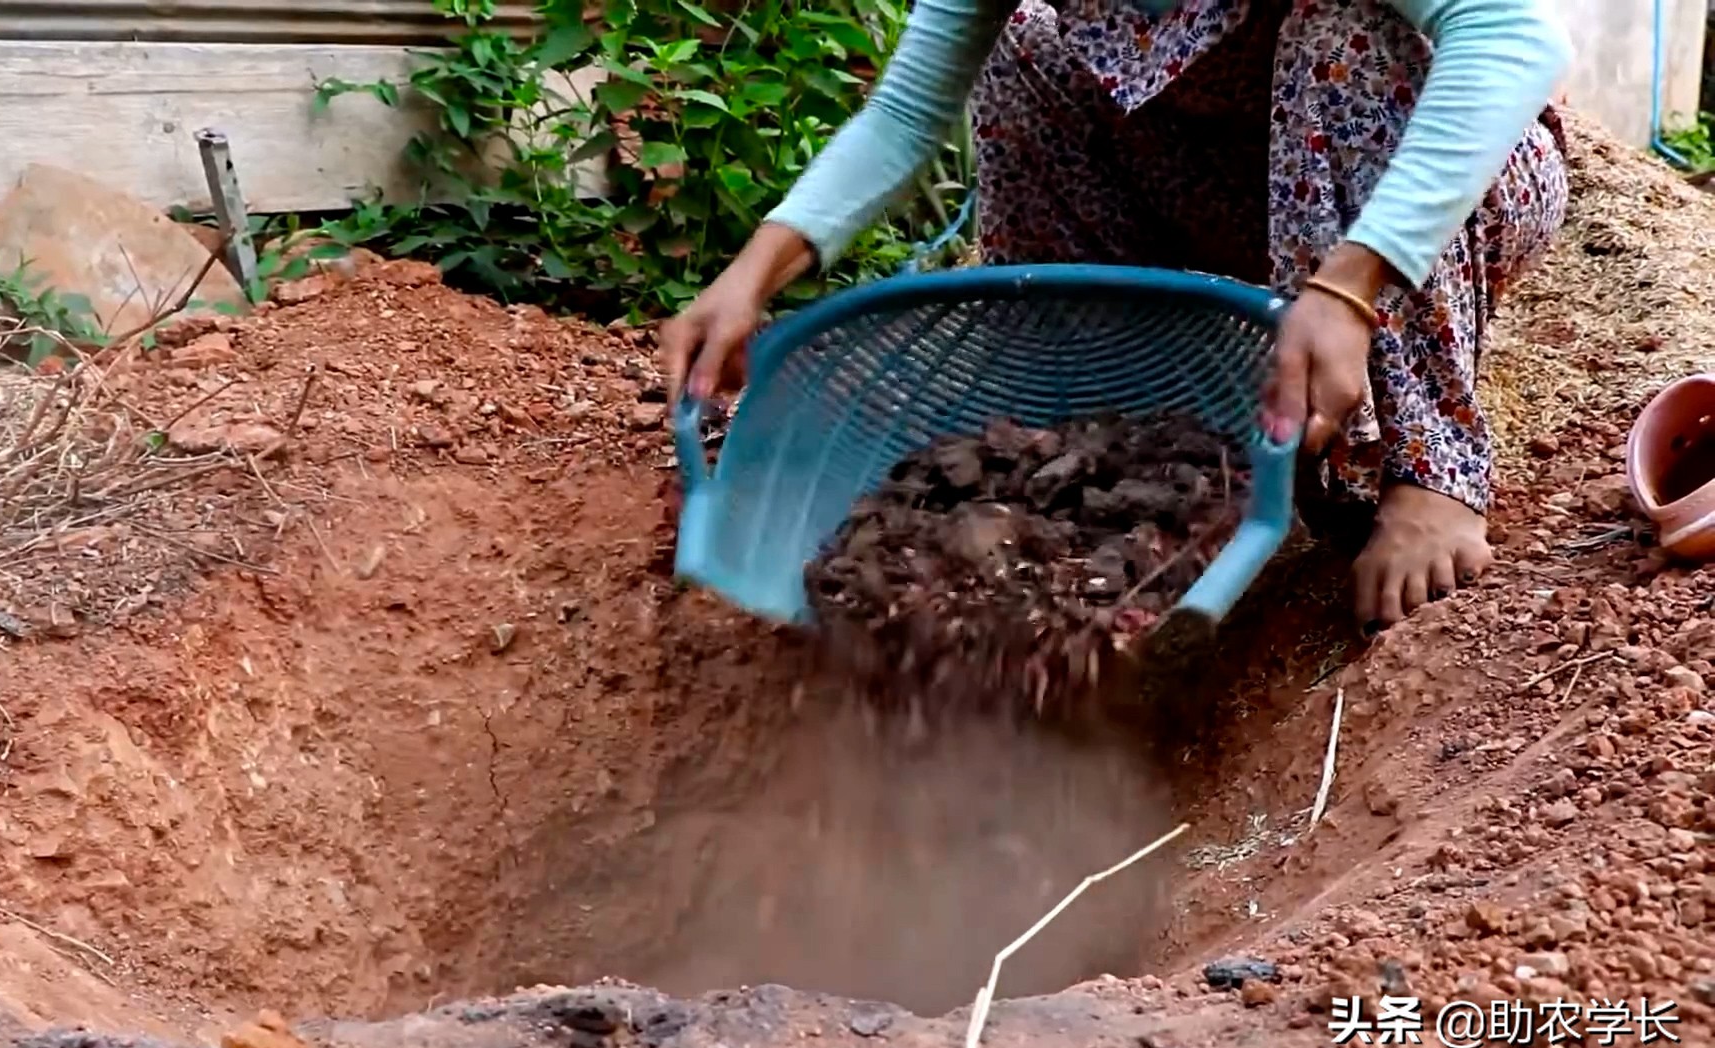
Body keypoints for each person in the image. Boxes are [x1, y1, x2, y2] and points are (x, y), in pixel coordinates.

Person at [656, 0, 1571, 630]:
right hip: (1221, 186)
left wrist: (1344, 285)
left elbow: (1512, 40)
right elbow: (904, 115)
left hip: (1439, 179)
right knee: (1022, 50)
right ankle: (1092, 426)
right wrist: (750, 276)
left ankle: (1430, 470)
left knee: (1343, 32)